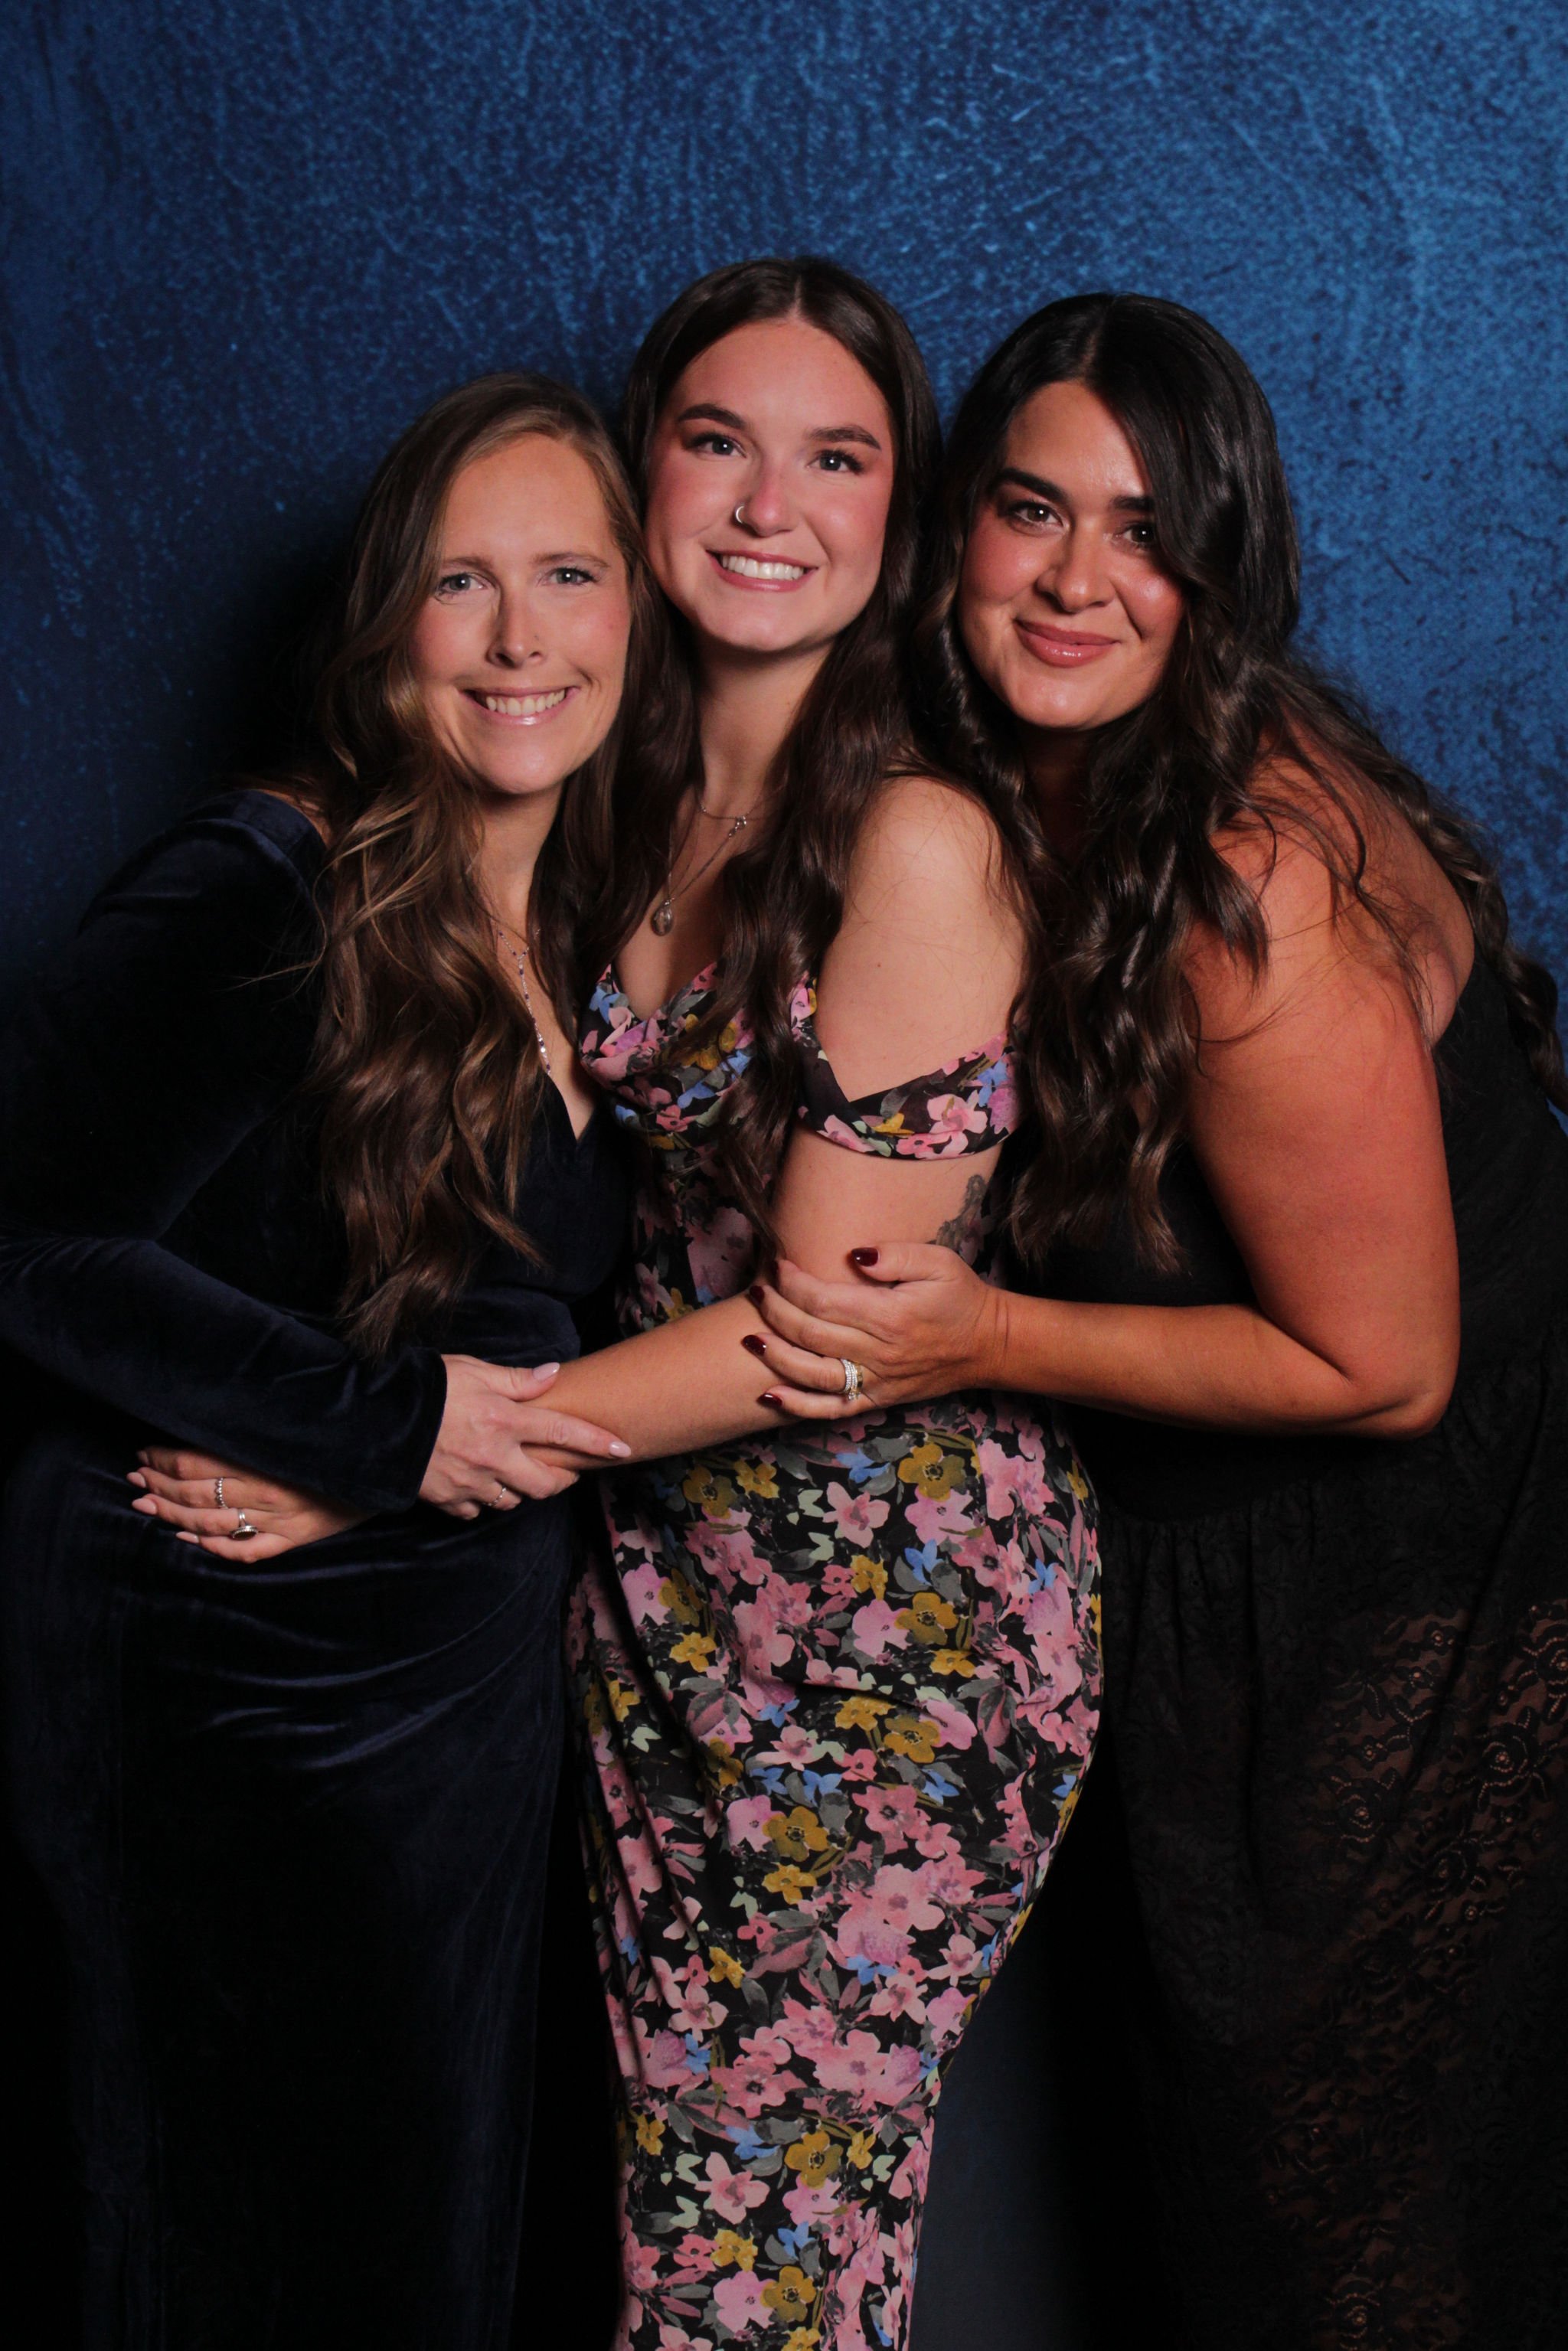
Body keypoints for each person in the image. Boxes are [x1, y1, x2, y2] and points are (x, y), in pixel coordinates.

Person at [139, 259, 1102, 2351]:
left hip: (876, 1627)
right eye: (718, 442)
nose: (770, 505)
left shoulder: (916, 841)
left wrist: (381, 1456)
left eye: (837, 457)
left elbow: (814, 1331)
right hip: (646, 1590)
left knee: (756, 2277)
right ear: (640, 466)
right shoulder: (615, 798)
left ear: (903, 516)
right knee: (661, 2246)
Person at [746, 292, 1568, 2349]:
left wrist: (984, 1338)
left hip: (1421, 1586)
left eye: (1146, 532)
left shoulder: (1243, 875)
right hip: (1281, 1579)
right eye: (1033, 510)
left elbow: (1385, 1365)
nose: (1077, 580)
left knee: (1347, 2232)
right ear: (962, 527)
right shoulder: (1074, 781)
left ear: (1223, 564)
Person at [0, 373, 657, 2349]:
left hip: (440, 1707)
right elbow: (29, 1235)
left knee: (424, 2260)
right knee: (239, 2257)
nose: (522, 639)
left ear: (638, 610)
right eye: (462, 583)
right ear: (386, 626)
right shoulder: (269, 876)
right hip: (229, 1696)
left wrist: (392, 1468)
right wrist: (374, 1429)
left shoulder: (596, 921)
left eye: (569, 575)